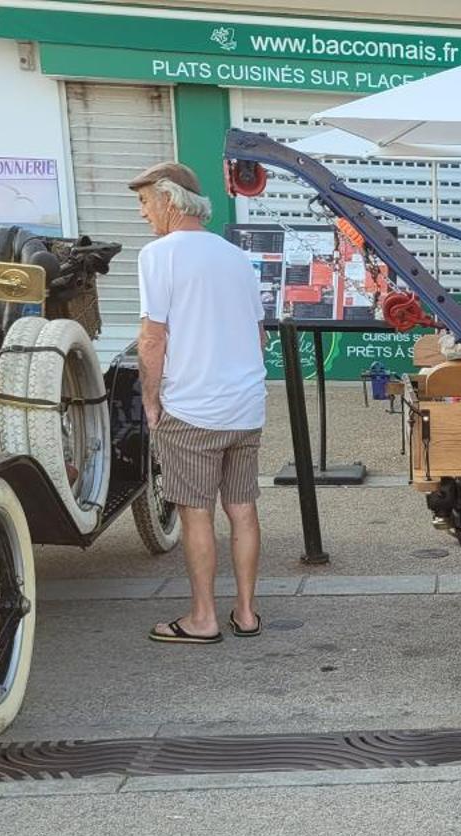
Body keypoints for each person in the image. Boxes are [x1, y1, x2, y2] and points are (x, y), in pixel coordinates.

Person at [130, 161, 267, 645]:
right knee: (243, 508)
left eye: (145, 201)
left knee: (196, 513)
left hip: (192, 408)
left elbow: (152, 339)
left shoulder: (159, 255)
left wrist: (150, 400)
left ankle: (204, 618)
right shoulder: (237, 257)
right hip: (245, 405)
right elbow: (259, 336)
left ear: (169, 200)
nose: (144, 212)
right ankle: (246, 613)